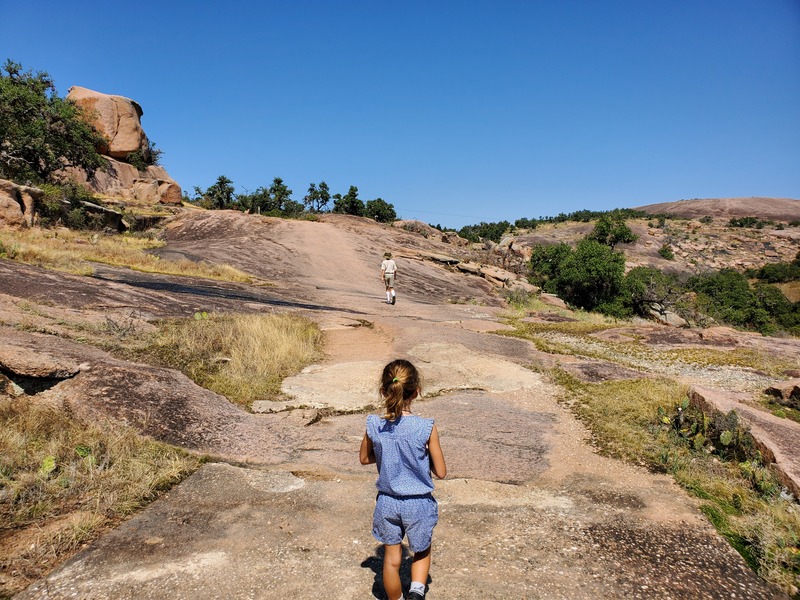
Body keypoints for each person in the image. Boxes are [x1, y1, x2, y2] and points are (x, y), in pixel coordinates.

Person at [360, 359, 447, 600]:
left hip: (387, 502)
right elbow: (441, 471)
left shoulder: (374, 425)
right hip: (418, 503)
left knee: (391, 559)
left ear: (383, 390)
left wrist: (387, 455)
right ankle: (417, 593)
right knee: (420, 551)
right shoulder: (425, 427)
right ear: (417, 391)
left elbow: (365, 458)